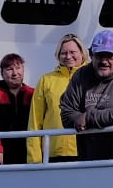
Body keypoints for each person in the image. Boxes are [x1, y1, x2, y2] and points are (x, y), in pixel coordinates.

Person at [59, 29, 113, 160]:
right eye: (99, 56)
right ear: (91, 55)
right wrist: (76, 117)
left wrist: (88, 118)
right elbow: (66, 112)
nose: (104, 61)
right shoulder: (81, 75)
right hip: (88, 160)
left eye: (109, 56)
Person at [25, 33, 86, 162]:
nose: (68, 56)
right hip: (53, 152)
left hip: (86, 151)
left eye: (72, 52)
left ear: (82, 53)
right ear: (58, 55)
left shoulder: (92, 78)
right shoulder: (46, 80)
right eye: (63, 53)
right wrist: (34, 159)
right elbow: (35, 122)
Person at [0, 53, 34, 164]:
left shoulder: (31, 93)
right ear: (2, 73)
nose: (15, 73)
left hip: (25, 154)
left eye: (18, 68)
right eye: (10, 69)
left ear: (23, 69)